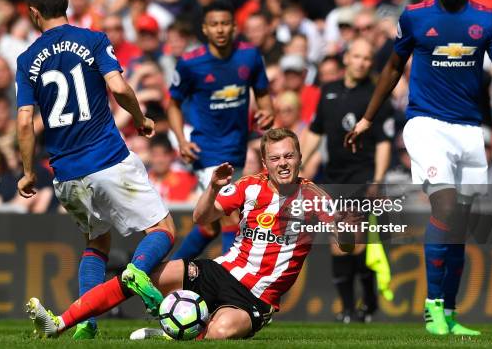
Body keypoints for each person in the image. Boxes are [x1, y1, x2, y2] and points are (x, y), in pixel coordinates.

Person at [26, 128, 359, 340]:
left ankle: (170, 333)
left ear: (300, 157)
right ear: (264, 162)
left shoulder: (316, 198)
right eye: (276, 158)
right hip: (220, 271)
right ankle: (59, 323)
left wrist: (345, 228)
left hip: (256, 298)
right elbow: (203, 217)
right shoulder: (248, 186)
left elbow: (344, 246)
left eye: (289, 155)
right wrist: (213, 189)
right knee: (137, 277)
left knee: (221, 331)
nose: (283, 163)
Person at [345, 0, 492, 336]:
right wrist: (366, 119)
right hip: (425, 124)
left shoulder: (486, 20)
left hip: (469, 131)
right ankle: (431, 308)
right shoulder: (415, 17)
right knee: (443, 205)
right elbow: (392, 68)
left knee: (459, 223)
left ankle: (451, 311)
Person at [15, 0, 176, 340]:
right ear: (66, 3)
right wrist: (141, 119)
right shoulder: (93, 39)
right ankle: (137, 271)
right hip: (108, 158)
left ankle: (86, 322)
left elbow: (25, 121)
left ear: (33, 13)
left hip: (67, 174)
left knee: (97, 243)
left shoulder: (27, 59)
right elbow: (118, 86)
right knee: (163, 230)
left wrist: (27, 173)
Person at [166, 0, 274, 261]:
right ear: (205, 29)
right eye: (214, 24)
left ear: (235, 26)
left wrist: (267, 111)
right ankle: (231, 283)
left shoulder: (249, 56)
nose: (220, 29)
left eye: (225, 23)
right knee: (230, 215)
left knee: (210, 225)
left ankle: (169, 272)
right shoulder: (191, 63)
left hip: (236, 149)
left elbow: (262, 94)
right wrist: (181, 140)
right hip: (207, 150)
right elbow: (173, 105)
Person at [301, 38, 394, 323]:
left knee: (352, 239)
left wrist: (377, 179)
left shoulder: (377, 95)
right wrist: (299, 164)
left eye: (367, 58)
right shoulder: (328, 91)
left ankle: (362, 304)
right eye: (357, 56)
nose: (362, 62)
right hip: (334, 176)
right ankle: (352, 308)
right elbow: (316, 132)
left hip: (362, 176)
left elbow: (383, 141)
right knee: (340, 242)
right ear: (347, 59)